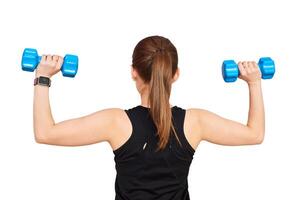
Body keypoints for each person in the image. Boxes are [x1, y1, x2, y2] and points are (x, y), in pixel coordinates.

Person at [33, 35, 265, 200]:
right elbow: (255, 134)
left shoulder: (115, 123)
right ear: (175, 74)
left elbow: (45, 133)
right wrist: (254, 82)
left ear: (134, 71)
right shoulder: (195, 122)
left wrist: (43, 77)